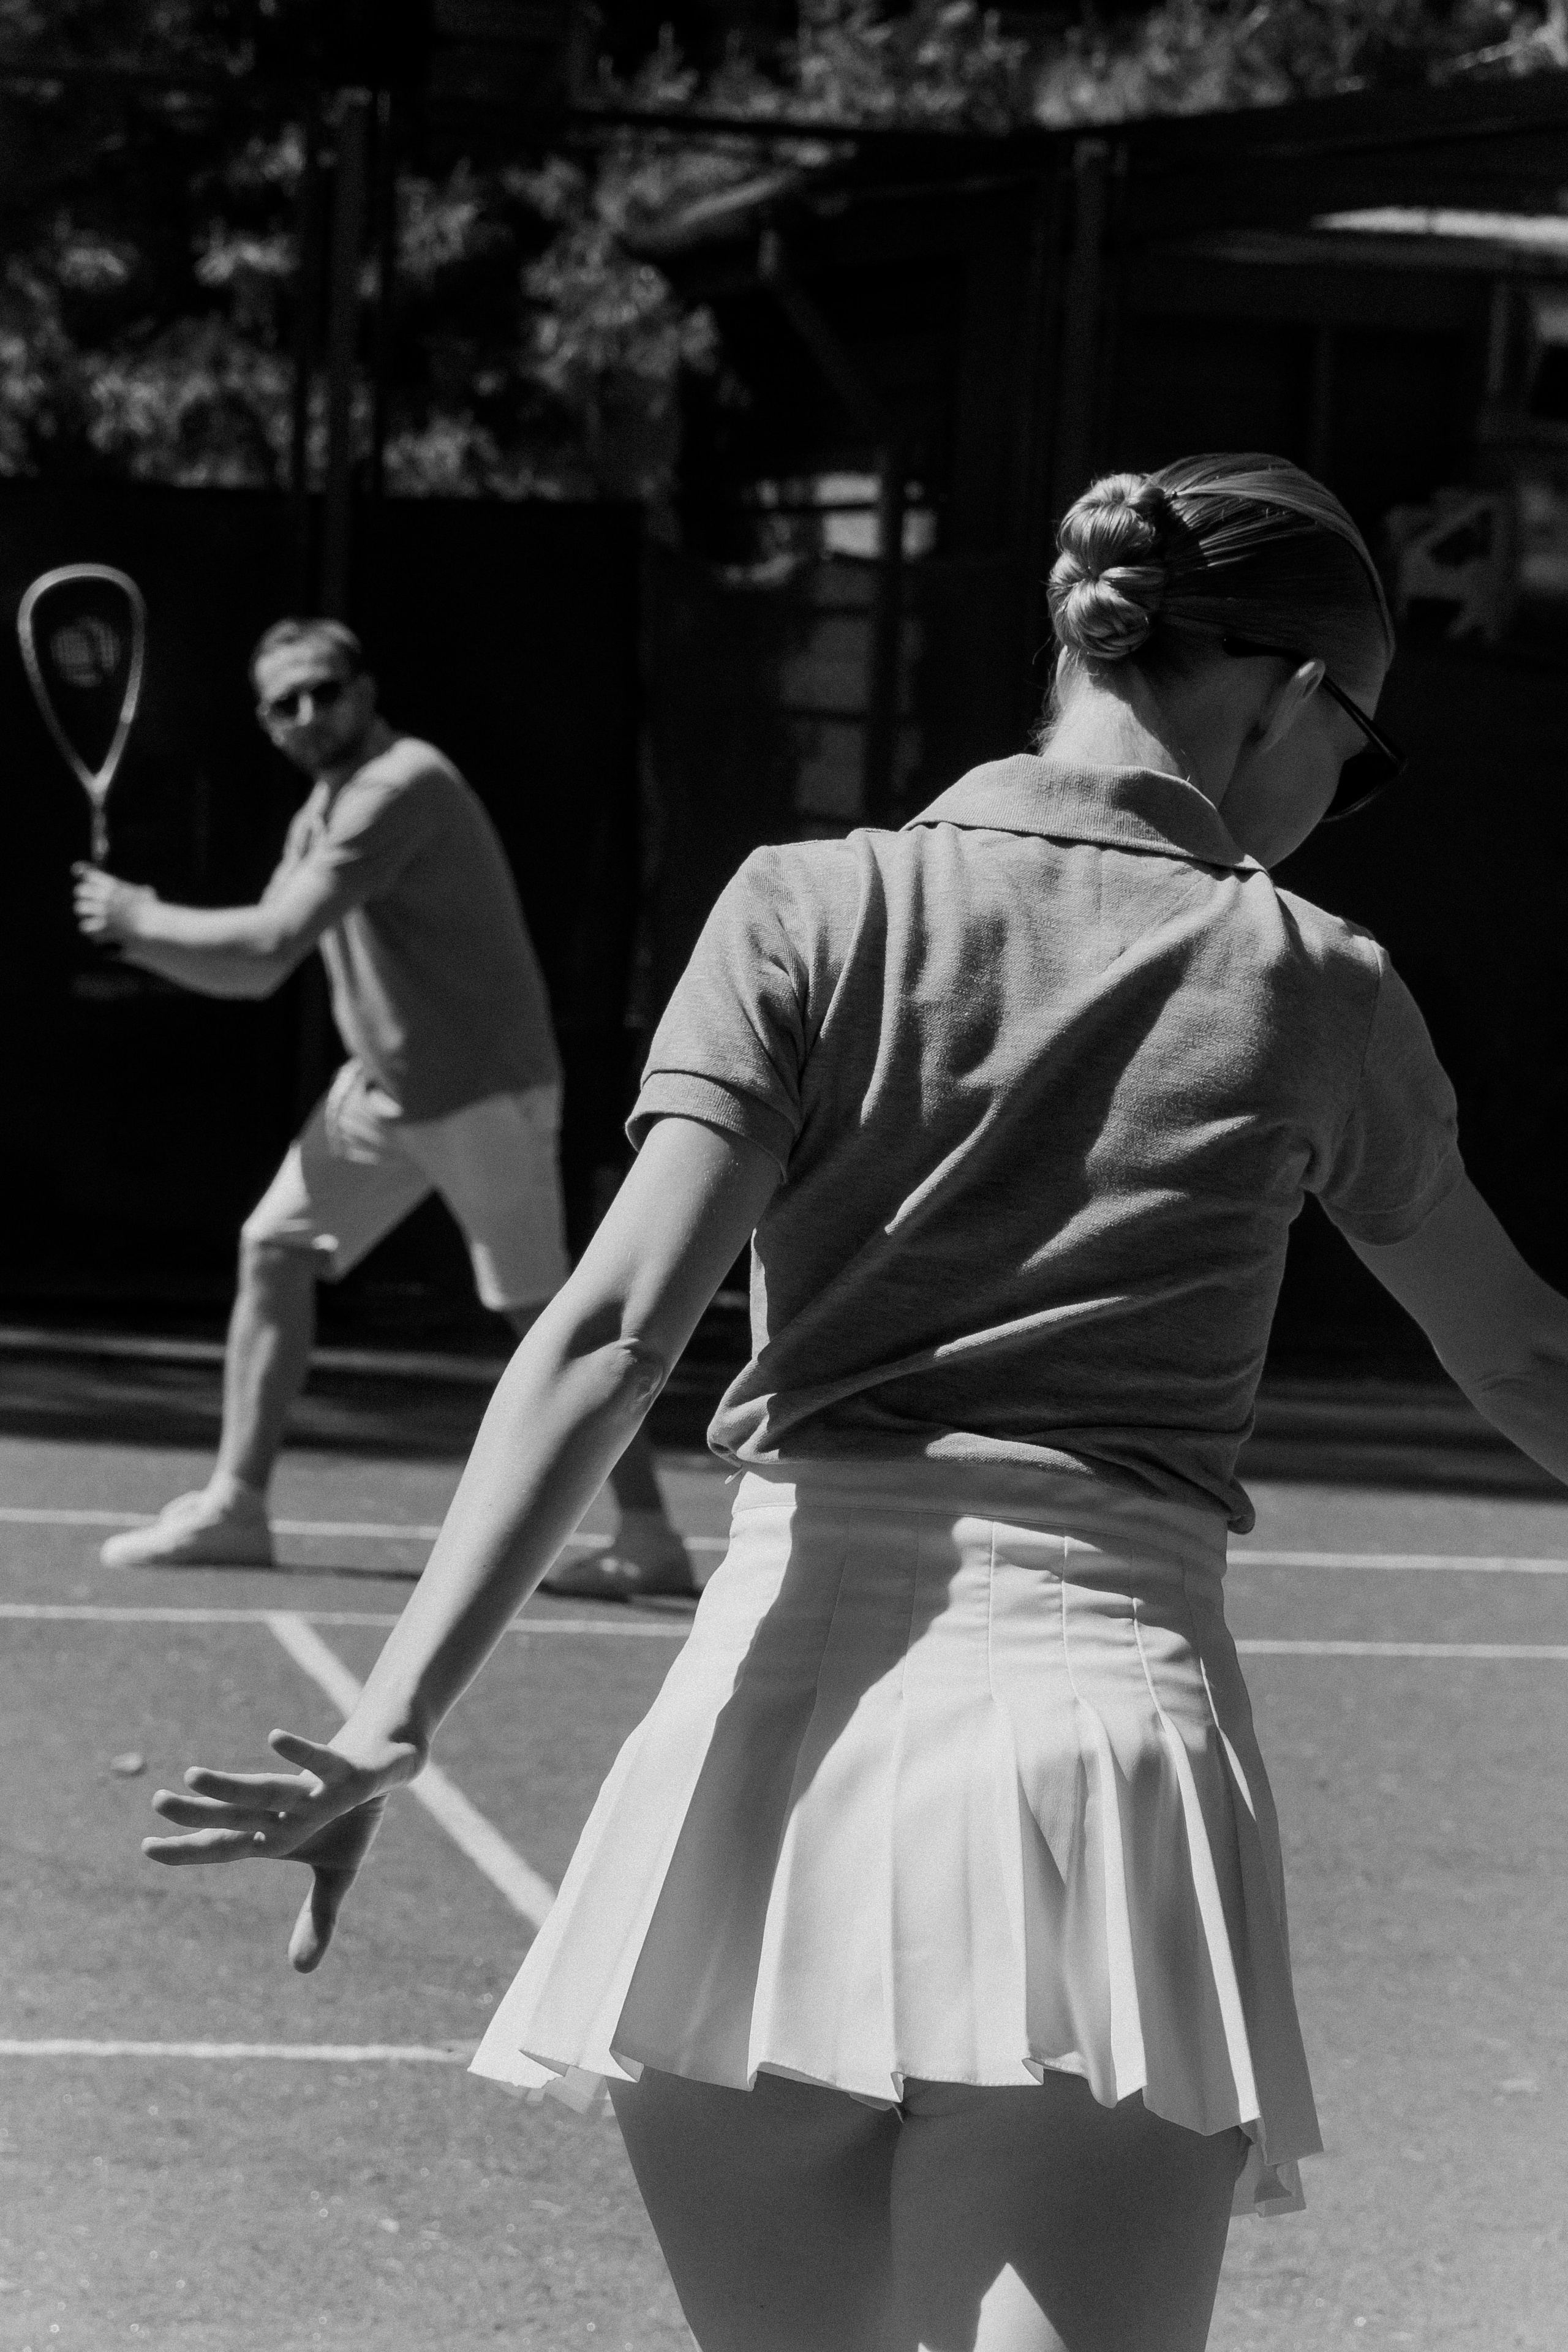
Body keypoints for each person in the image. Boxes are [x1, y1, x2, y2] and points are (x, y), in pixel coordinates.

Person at [139, 457, 1568, 2352]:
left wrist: (390, 1717)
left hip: (758, 1760)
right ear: (1290, 694)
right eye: (1357, 755)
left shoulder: (804, 905)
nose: (1339, 796)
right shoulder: (1316, 985)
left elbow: (608, 1332)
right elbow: (1528, 1361)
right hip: (1089, 1760)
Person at [73, 616, 691, 1597]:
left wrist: (140, 916)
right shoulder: (323, 811)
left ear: (364, 691)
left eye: (325, 690)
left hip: (483, 1090)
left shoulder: (402, 786)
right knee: (274, 1248)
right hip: (385, 1091)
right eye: (285, 704)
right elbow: (254, 974)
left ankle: (651, 1534)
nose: (309, 713)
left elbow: (272, 941)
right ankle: (237, 1507)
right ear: (268, 725)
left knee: (551, 1319)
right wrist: (134, 935)